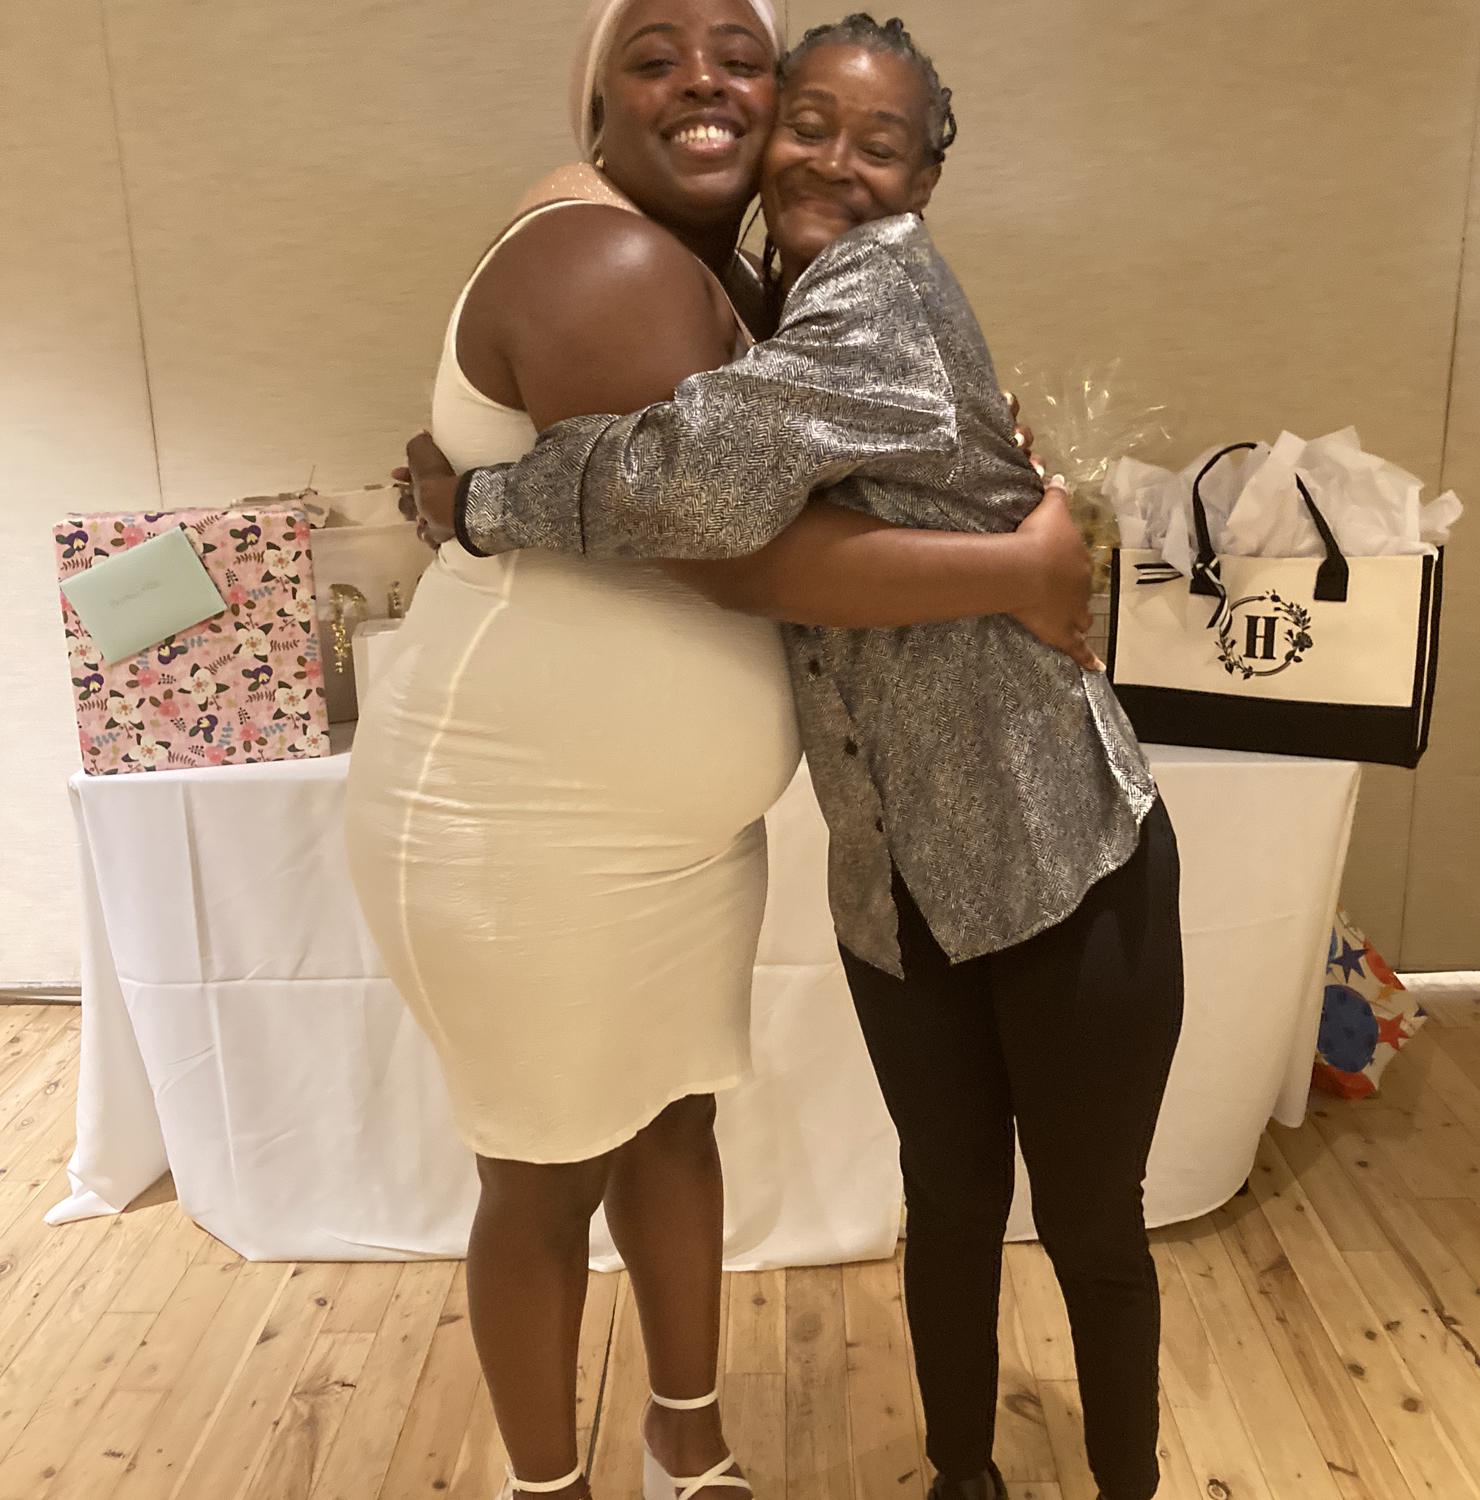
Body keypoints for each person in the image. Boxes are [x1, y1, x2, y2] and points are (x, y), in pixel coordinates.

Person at [414, 15, 1185, 1500]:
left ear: (924, 182)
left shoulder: (877, 294)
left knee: (1092, 1227)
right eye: (811, 125)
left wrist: (481, 503)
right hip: (894, 888)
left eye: (876, 144)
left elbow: (695, 488)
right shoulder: (774, 301)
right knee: (944, 1209)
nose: (832, 160)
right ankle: (962, 1479)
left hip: (1060, 856)